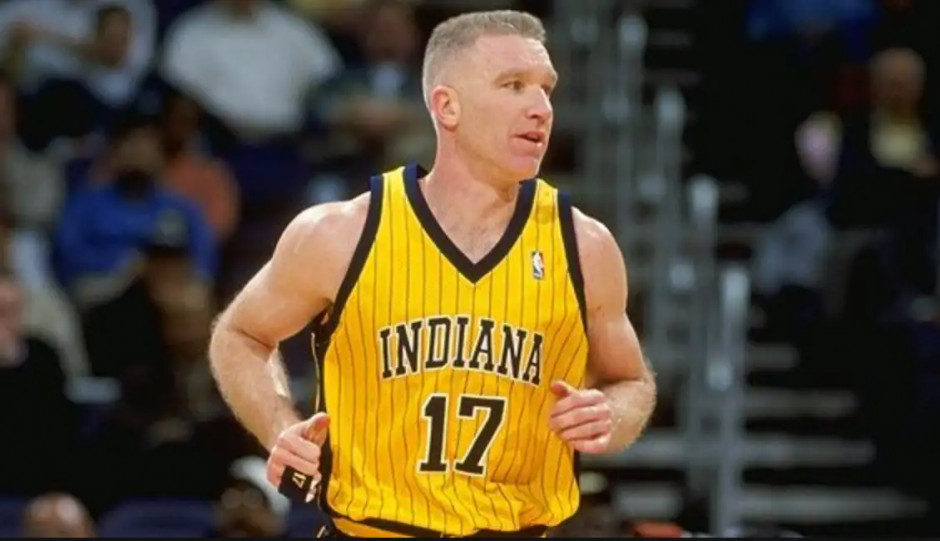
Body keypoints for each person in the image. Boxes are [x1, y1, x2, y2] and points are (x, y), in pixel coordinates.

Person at [209, 9, 656, 538]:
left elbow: (631, 381)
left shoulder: (585, 246)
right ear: (447, 106)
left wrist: (609, 414)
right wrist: (279, 426)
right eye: (514, 86)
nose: (540, 108)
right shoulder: (342, 233)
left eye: (546, 89)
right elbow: (240, 334)